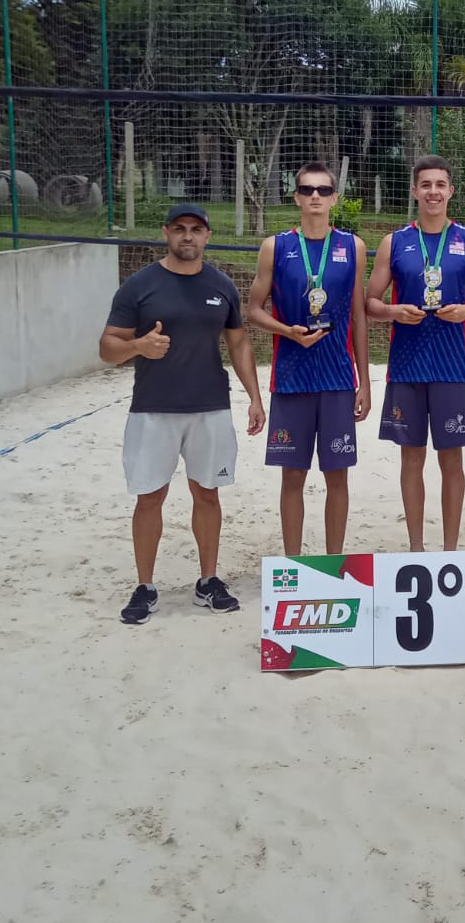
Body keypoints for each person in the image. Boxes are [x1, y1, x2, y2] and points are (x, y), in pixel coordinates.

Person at [99, 203, 266, 625]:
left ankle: (208, 580)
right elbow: (106, 347)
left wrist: (254, 396)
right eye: (179, 229)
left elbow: (239, 343)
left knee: (207, 494)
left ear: (208, 235)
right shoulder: (141, 285)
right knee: (150, 496)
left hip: (209, 406)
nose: (187, 236)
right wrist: (138, 346)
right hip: (153, 408)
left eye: (195, 229)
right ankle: (145, 586)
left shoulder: (222, 285)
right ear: (166, 233)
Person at [364, 155, 465, 551]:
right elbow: (369, 303)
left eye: (440, 185)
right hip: (406, 369)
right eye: (426, 185)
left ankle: (450, 551)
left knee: (452, 461)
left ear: (451, 191)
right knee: (411, 459)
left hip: (452, 369)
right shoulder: (395, 242)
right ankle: (417, 547)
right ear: (414, 191)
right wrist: (393, 311)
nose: (433, 192)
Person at [246, 162, 372, 556]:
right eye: (307, 189)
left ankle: (334, 561)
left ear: (335, 197)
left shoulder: (352, 246)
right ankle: (295, 561)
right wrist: (287, 332)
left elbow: (358, 317)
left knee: (338, 478)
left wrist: (364, 381)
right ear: (296, 197)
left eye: (323, 189)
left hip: (337, 380)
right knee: (292, 477)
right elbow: (253, 310)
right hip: (292, 378)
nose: (315, 196)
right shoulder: (276, 246)